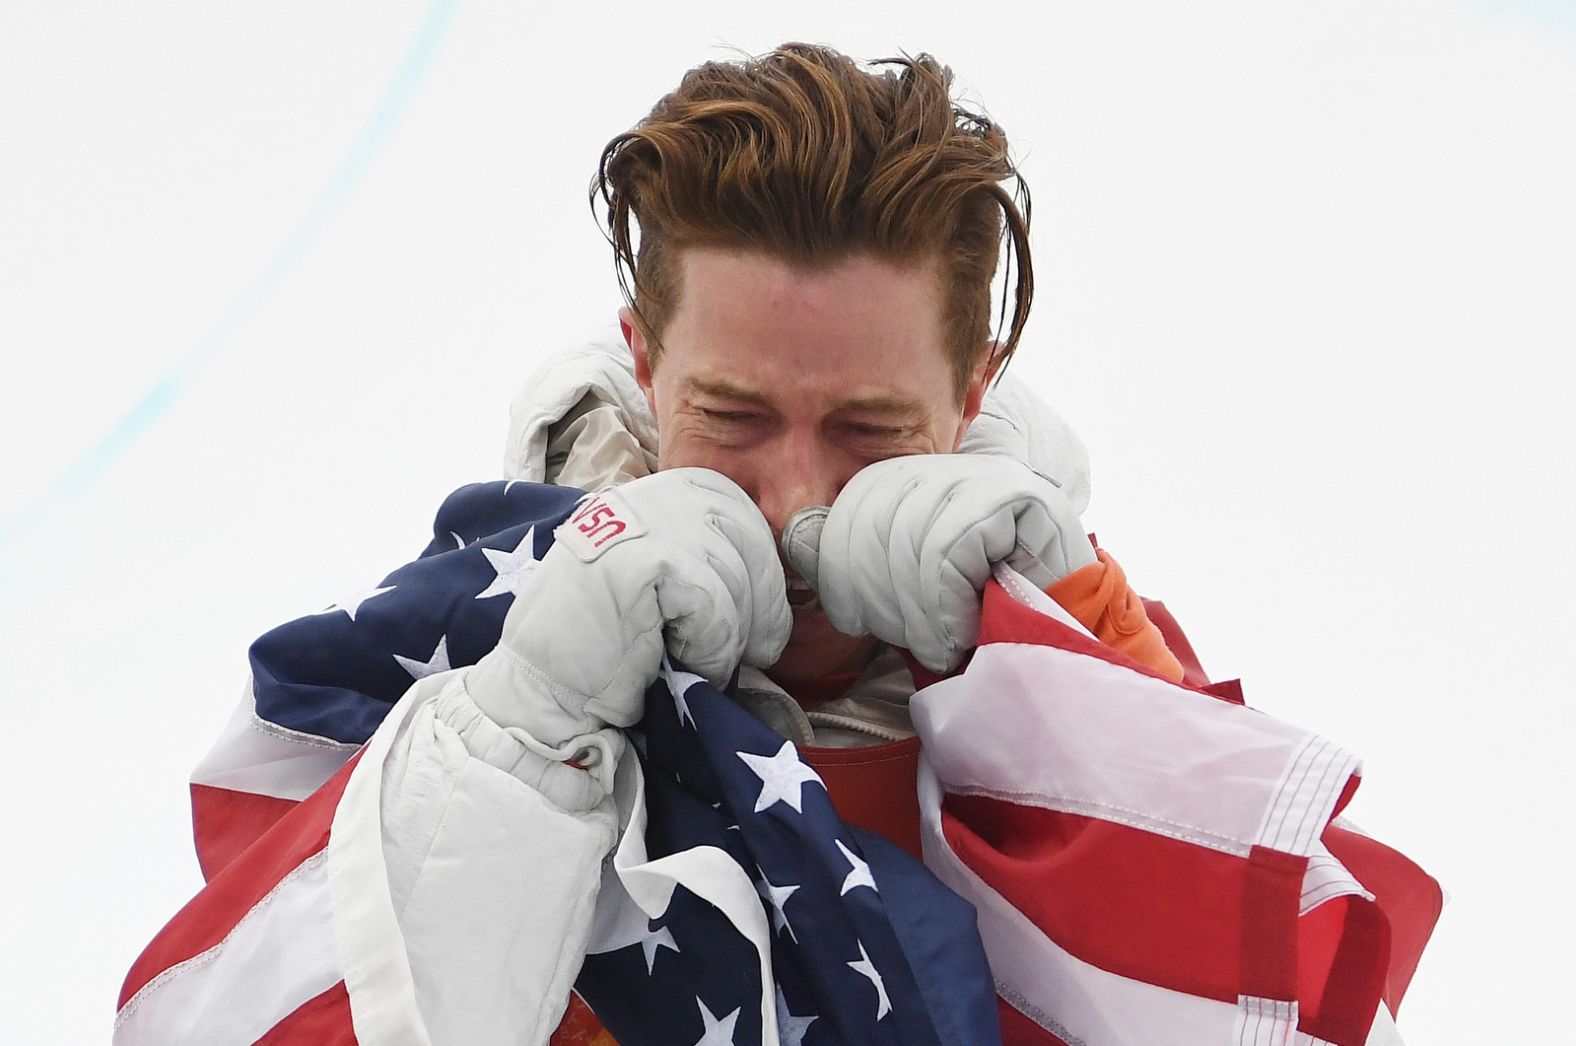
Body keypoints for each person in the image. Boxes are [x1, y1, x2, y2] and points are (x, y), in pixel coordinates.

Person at [115, 44, 1436, 1046]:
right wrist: (520, 739)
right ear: (643, 359)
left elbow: (1284, 1001)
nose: (792, 495)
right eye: (733, 415)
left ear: (974, 392)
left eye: (870, 429)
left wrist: (1076, 630)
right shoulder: (460, 646)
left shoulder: (1073, 681)